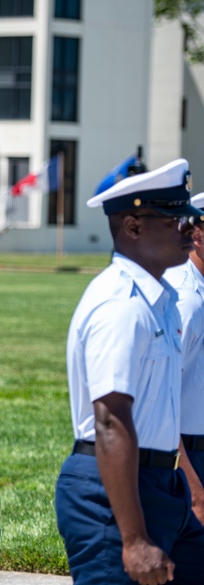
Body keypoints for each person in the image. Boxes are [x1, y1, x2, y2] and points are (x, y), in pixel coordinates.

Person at [57, 159, 204, 585]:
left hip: (159, 482)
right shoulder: (119, 302)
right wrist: (134, 539)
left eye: (189, 218)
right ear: (133, 227)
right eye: (174, 218)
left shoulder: (157, 299)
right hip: (111, 490)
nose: (188, 229)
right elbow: (110, 420)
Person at [163, 191, 204, 527]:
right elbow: (163, 400)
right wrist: (194, 486)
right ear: (197, 234)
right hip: (188, 455)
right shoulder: (186, 298)